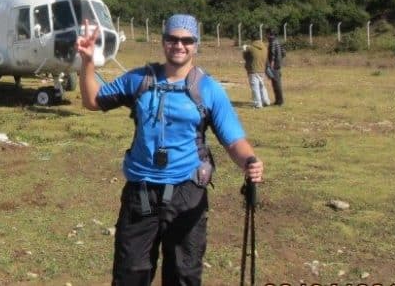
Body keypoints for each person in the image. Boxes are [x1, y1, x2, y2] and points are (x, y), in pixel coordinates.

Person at [76, 14, 264, 285]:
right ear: (163, 42)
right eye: (173, 39)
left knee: (183, 275)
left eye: (187, 40)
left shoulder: (208, 89)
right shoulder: (138, 80)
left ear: (195, 45)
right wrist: (87, 62)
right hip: (140, 192)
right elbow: (93, 100)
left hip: (187, 193)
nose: (179, 45)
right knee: (130, 274)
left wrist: (249, 161)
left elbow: (233, 141)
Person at [243, 31, 271, 108]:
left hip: (253, 70)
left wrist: (244, 50)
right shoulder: (264, 47)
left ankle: (258, 103)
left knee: (255, 87)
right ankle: (266, 101)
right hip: (262, 69)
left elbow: (245, 57)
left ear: (252, 39)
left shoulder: (250, 48)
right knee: (262, 86)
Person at [265, 29, 285, 106]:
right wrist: (279, 60)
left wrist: (271, 66)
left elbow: (272, 55)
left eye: (266, 34)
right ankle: (278, 100)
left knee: (276, 84)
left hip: (274, 66)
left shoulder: (272, 42)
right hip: (278, 65)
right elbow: (284, 53)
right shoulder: (278, 41)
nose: (265, 36)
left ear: (270, 34)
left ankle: (280, 101)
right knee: (277, 83)